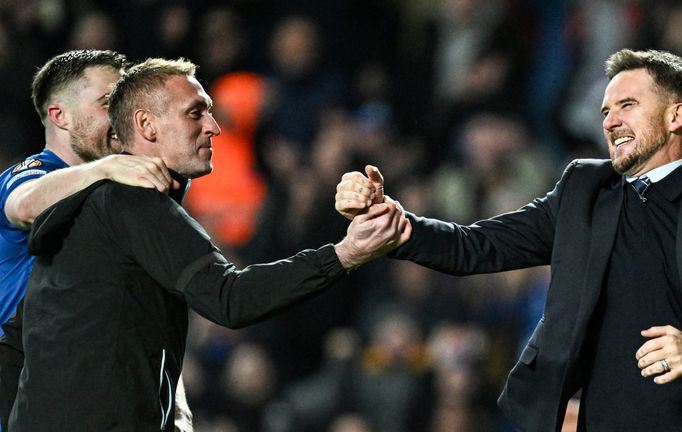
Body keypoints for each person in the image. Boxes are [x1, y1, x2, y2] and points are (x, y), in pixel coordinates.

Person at [335, 49, 682, 431]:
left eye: (627, 105)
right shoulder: (583, 192)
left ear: (676, 116)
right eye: (604, 111)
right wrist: (396, 223)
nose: (610, 121)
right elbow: (476, 246)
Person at [9, 57, 410, 431]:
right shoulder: (129, 204)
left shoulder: (100, 208)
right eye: (195, 112)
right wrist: (345, 254)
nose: (214, 127)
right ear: (147, 126)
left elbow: (29, 335)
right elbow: (229, 298)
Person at [0, 50, 180, 429]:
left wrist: (175, 400)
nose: (121, 116)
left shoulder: (118, 197)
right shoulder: (33, 172)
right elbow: (27, 205)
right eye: (107, 102)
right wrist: (107, 168)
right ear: (59, 116)